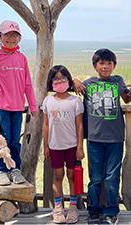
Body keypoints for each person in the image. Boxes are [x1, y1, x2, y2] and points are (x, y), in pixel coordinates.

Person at [72, 48, 131, 225]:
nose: (105, 66)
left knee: (113, 176)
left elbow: (127, 98)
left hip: (115, 138)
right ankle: (93, 211)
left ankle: (111, 211)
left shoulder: (118, 81)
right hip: (94, 138)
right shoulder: (87, 84)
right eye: (102, 63)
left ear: (114, 66)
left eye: (109, 63)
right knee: (96, 177)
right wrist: (74, 80)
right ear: (95, 66)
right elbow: (62, 83)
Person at [0, 20, 37, 186]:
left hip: (17, 107)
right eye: (7, 34)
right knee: (2, 139)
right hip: (1, 107)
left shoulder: (22, 59)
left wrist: (33, 105)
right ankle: (2, 170)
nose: (11, 38)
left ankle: (15, 169)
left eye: (15, 35)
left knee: (15, 140)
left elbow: (28, 84)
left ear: (19, 39)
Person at [43, 65, 85, 224]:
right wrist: (46, 146)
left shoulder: (75, 101)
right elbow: (46, 125)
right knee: (57, 176)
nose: (59, 81)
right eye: (56, 78)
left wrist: (80, 147)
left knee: (72, 176)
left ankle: (73, 208)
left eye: (63, 78)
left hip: (72, 145)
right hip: (55, 146)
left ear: (68, 80)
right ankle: (58, 208)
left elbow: (80, 125)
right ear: (51, 82)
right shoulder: (48, 101)